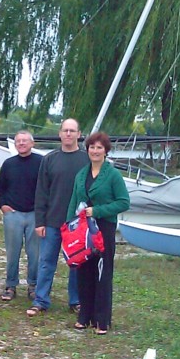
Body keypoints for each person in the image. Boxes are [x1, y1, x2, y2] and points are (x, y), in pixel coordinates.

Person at [67, 132, 129, 335]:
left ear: (106, 151)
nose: (95, 151)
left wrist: (99, 210)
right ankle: (85, 316)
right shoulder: (81, 174)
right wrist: (68, 227)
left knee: (102, 273)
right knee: (84, 272)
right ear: (87, 150)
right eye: (92, 147)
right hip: (83, 230)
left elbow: (123, 202)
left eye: (99, 147)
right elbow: (74, 200)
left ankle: (102, 320)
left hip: (103, 228)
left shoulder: (113, 175)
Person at [28, 118, 89, 317]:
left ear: (79, 134)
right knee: (46, 262)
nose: (69, 134)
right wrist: (40, 221)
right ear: (60, 134)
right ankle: (41, 300)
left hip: (77, 222)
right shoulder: (50, 159)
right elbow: (41, 192)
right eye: (65, 130)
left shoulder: (87, 159)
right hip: (52, 221)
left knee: (77, 262)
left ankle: (76, 300)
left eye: (73, 131)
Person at [0, 130, 42, 302]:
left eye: (25, 141)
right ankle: (10, 285)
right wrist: (3, 206)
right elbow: (1, 187)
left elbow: (47, 187)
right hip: (13, 214)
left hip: (34, 214)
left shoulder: (41, 162)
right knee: (12, 252)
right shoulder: (8, 164)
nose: (21, 144)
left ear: (32, 143)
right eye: (18, 141)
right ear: (15, 145)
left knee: (35, 253)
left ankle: (33, 285)